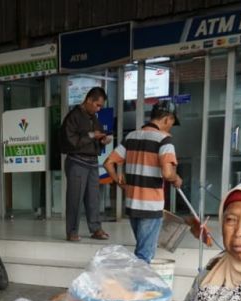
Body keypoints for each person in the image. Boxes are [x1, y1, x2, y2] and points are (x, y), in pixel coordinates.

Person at [103, 100, 182, 262]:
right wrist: (177, 178)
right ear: (167, 119)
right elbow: (167, 174)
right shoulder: (164, 140)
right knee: (144, 256)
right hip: (150, 206)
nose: (171, 127)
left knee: (142, 249)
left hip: (132, 205)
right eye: (172, 122)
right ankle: (135, 286)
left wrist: (120, 184)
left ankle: (135, 284)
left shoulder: (131, 137)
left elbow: (108, 163)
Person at [60, 87, 111, 242]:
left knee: (93, 197)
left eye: (101, 106)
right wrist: (91, 135)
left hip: (92, 162)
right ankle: (72, 231)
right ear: (89, 100)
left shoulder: (93, 118)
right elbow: (70, 140)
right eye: (97, 105)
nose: (99, 108)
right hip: (77, 162)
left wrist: (102, 141)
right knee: (75, 198)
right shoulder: (73, 116)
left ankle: (95, 228)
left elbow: (97, 137)